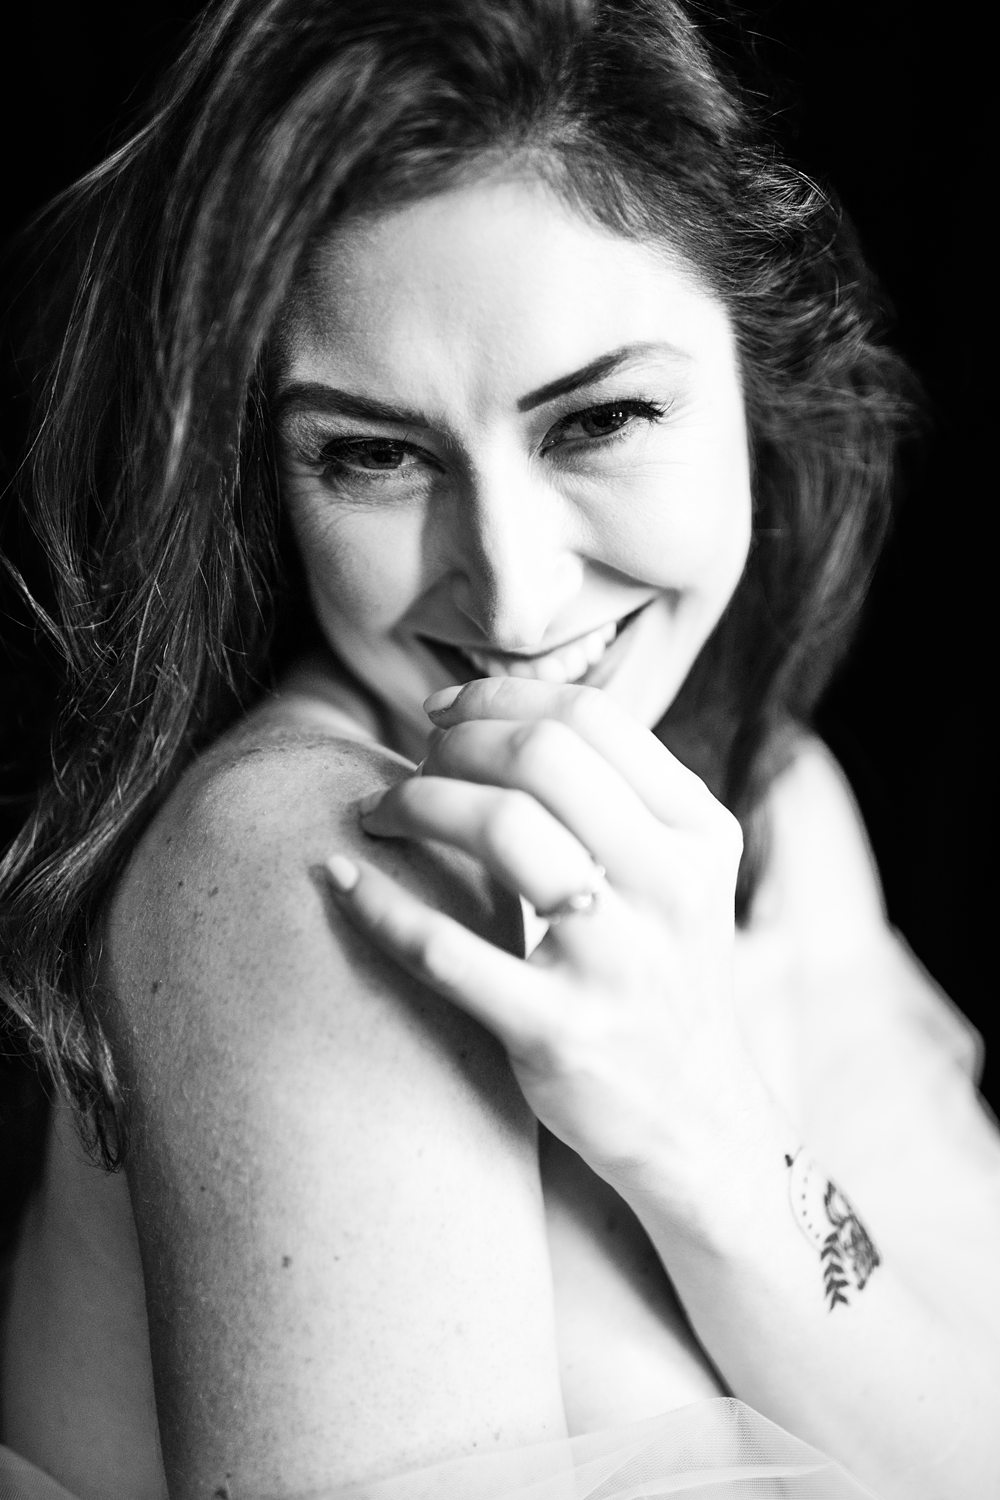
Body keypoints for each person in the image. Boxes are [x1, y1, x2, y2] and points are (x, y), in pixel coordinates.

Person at [0, 0, 997, 1496]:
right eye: (375, 454)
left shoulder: (777, 802)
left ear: (761, 375)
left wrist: (712, 1149)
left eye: (597, 421)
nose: (518, 594)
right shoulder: (324, 878)